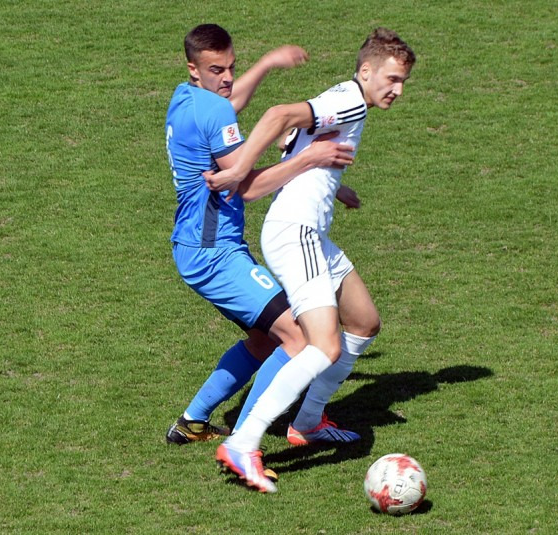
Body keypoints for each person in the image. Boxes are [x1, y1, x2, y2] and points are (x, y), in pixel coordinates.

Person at [211, 28, 416, 493]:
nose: (398, 90)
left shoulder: (344, 99)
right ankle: (242, 443)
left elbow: (295, 136)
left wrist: (335, 186)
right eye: (392, 79)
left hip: (311, 234)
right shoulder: (351, 101)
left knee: (363, 322)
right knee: (323, 346)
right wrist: (240, 169)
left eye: (403, 82)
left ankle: (307, 422)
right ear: (367, 71)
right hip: (295, 234)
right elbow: (279, 114)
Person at [163, 23, 355, 446]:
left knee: (265, 338)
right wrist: (311, 159)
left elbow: (228, 105)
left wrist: (266, 64)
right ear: (193, 68)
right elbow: (246, 187)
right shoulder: (212, 111)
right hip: (214, 254)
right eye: (217, 70)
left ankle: (192, 423)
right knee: (299, 334)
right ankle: (243, 441)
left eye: (232, 67)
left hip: (196, 246)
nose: (227, 78)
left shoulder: (185, 99)